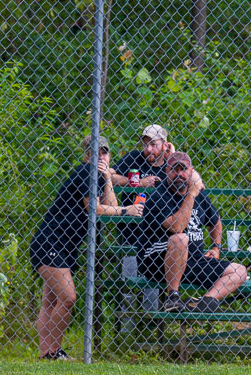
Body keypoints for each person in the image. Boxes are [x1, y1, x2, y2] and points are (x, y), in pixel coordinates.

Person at [29, 135, 143, 360]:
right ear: (87, 155)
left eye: (104, 152)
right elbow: (95, 209)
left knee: (51, 300)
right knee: (68, 297)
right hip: (50, 241)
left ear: (109, 155)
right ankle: (53, 351)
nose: (100, 156)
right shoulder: (85, 172)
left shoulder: (99, 177)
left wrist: (108, 177)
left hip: (66, 245)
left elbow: (110, 205)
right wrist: (126, 211)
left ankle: (47, 354)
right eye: (95, 152)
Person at [137, 151, 248, 313]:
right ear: (167, 171)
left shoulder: (199, 195)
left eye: (184, 169)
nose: (179, 174)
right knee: (180, 239)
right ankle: (173, 298)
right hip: (157, 262)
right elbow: (177, 227)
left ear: (191, 171)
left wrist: (216, 246)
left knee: (239, 271)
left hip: (192, 260)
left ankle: (205, 301)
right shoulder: (159, 197)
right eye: (175, 170)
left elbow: (215, 221)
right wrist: (192, 194)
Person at [109, 124, 175, 278]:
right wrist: (139, 183)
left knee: (152, 284)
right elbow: (109, 175)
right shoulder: (134, 158)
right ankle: (126, 301)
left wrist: (174, 155)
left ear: (165, 145)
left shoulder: (171, 166)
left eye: (153, 144)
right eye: (145, 144)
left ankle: (155, 302)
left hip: (159, 233)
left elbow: (190, 181)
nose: (149, 149)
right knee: (128, 282)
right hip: (132, 230)